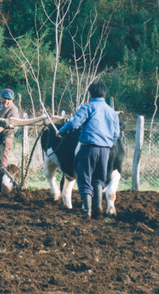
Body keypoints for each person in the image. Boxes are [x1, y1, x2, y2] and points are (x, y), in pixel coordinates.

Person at [56, 80, 120, 220]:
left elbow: (74, 123)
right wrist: (107, 143)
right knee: (99, 179)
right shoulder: (112, 112)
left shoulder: (87, 108)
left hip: (88, 148)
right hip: (105, 150)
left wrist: (61, 131)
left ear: (90, 93)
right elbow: (116, 134)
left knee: (84, 179)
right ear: (104, 93)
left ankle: (87, 211)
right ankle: (98, 207)